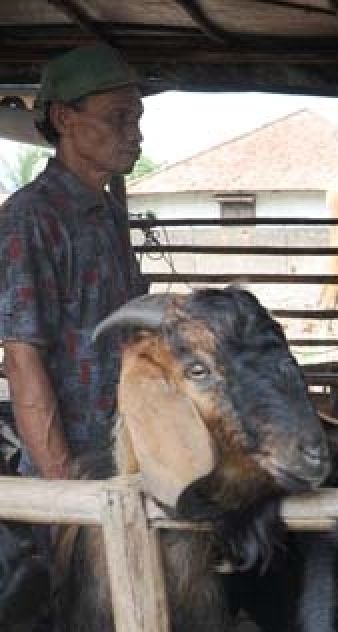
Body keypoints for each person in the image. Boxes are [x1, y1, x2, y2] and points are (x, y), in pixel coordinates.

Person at [0, 44, 148, 480]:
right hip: (70, 469)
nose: (135, 135)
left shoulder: (108, 215)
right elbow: (22, 358)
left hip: (123, 453)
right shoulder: (30, 219)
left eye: (137, 120)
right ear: (65, 119)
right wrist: (63, 490)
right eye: (119, 118)